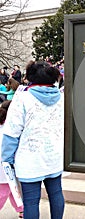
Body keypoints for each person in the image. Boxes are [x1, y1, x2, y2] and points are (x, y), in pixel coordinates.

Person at [1, 60, 64, 219]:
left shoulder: (22, 98)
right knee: (56, 194)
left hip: (30, 158)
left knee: (31, 202)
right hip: (54, 155)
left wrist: (6, 158)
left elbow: (12, 131)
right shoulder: (62, 98)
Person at [0, 100, 24, 218]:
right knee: (4, 191)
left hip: (7, 167)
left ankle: (21, 209)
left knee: (13, 190)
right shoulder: (10, 128)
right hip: (6, 167)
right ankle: (21, 209)